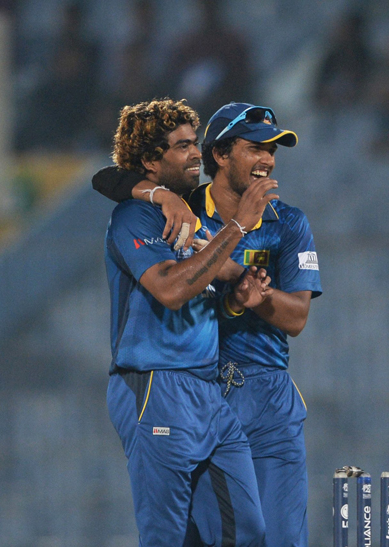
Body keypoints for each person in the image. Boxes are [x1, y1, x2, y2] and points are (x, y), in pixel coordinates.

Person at [95, 102, 320, 547]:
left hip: (249, 389)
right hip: (176, 383)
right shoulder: (171, 209)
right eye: (256, 147)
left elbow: (295, 317)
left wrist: (247, 289)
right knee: (178, 536)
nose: (268, 160)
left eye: (273, 150)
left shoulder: (287, 221)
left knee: (259, 534)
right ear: (224, 154)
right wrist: (161, 195)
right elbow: (106, 180)